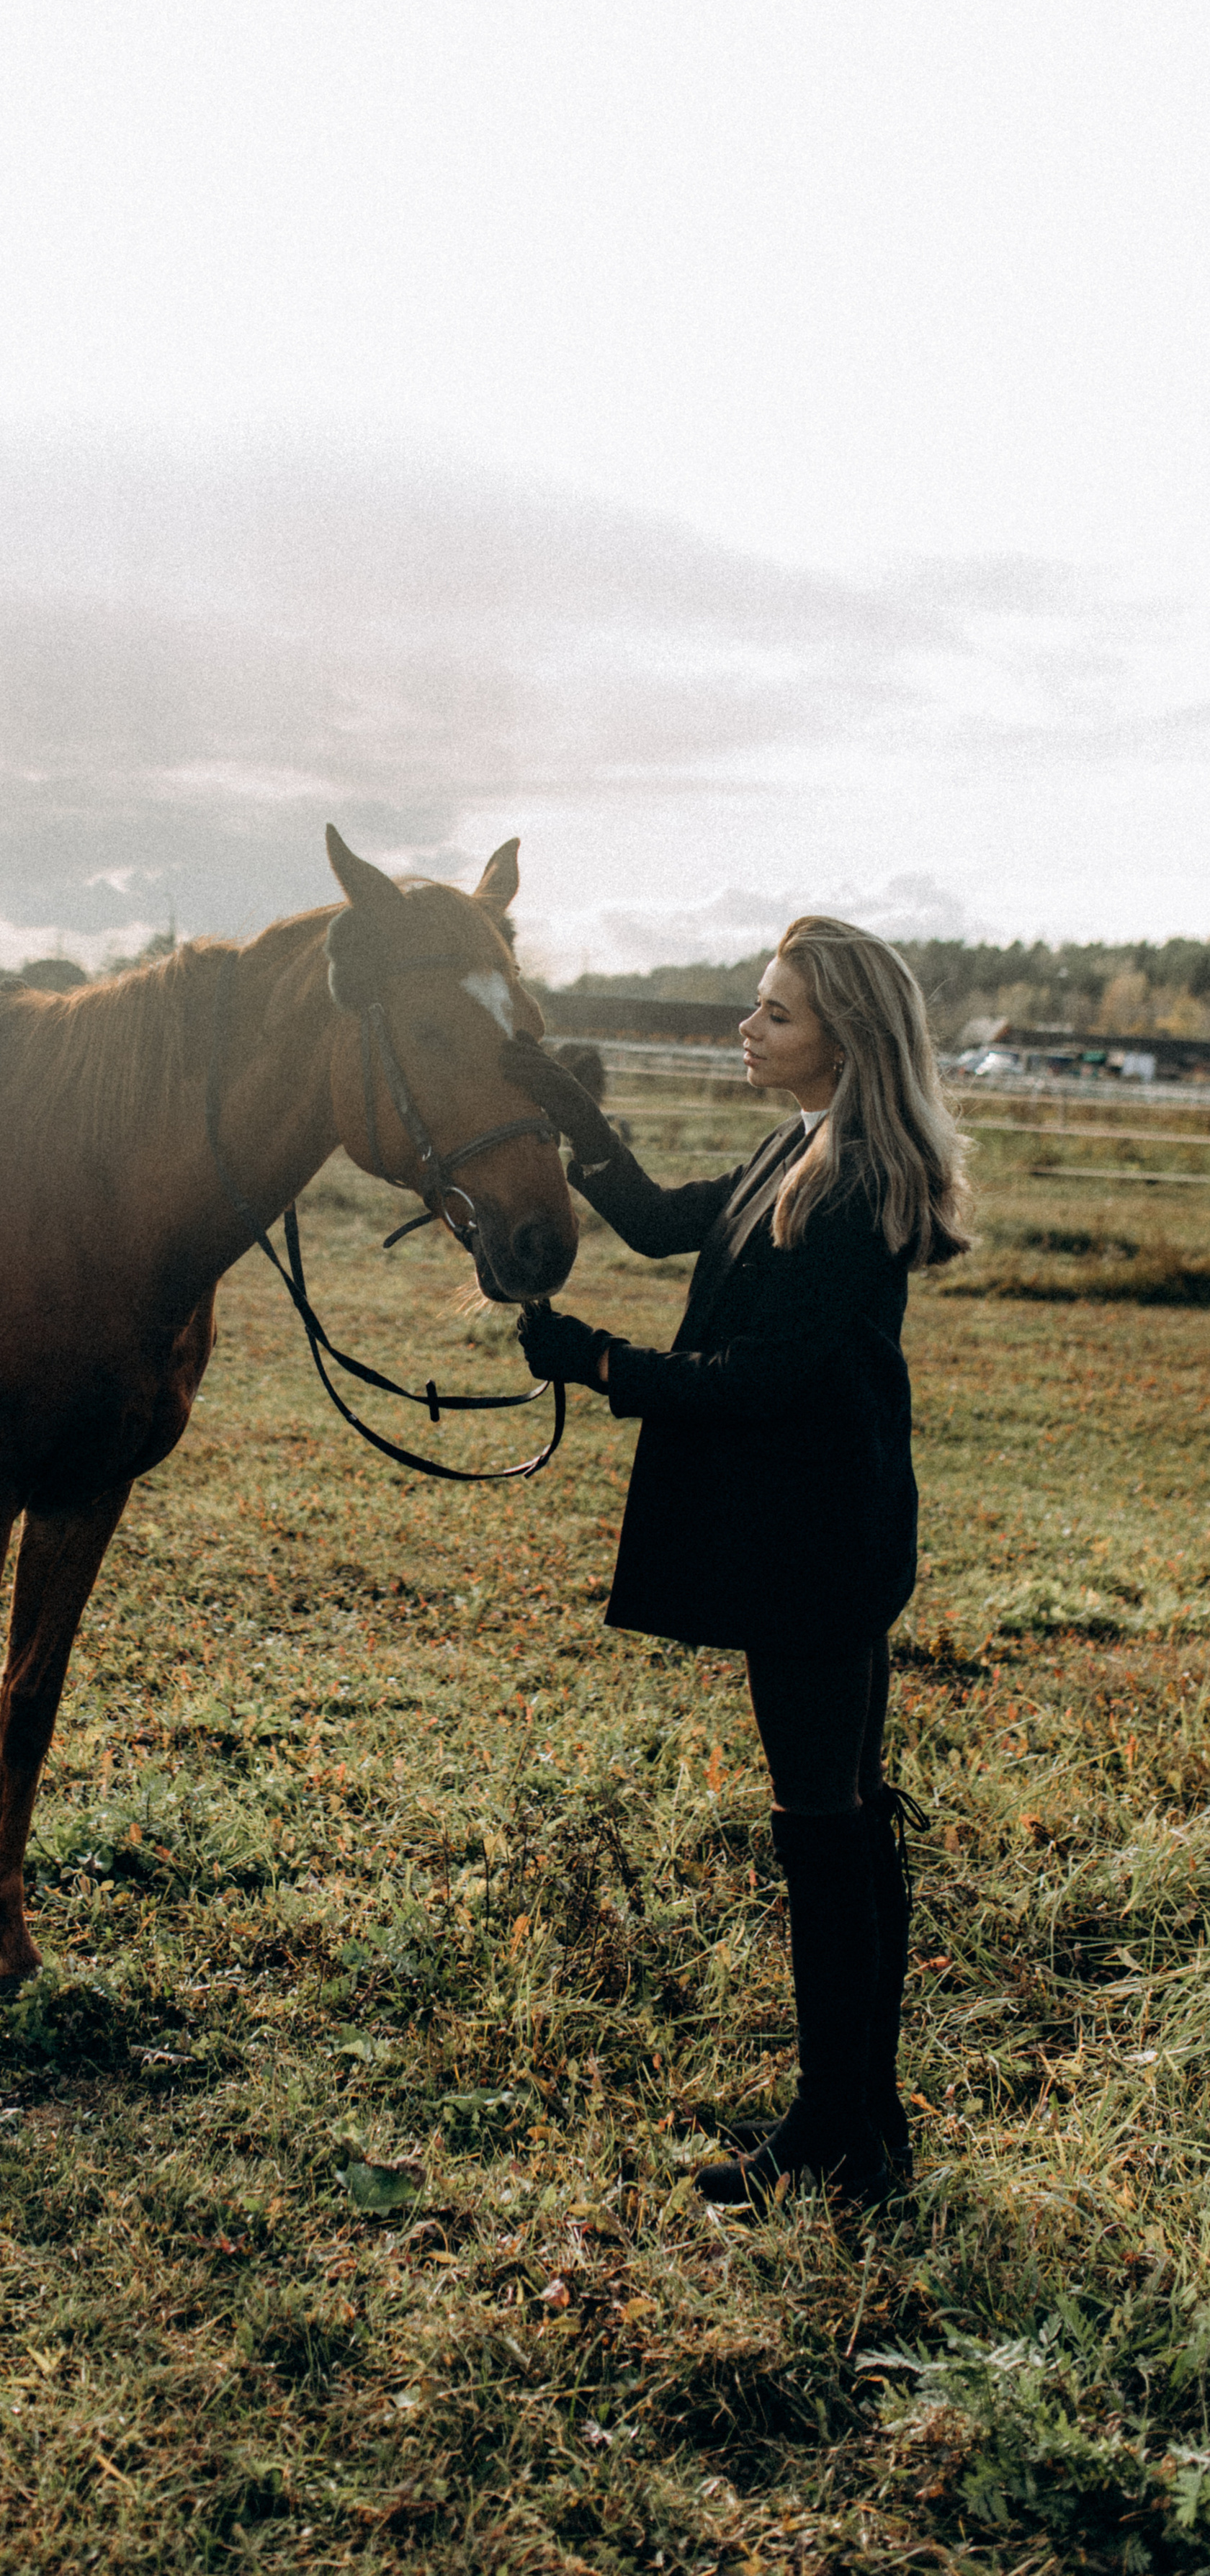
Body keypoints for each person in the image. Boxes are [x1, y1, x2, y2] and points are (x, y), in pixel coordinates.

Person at [504, 920, 972, 2209]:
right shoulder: (800, 1145)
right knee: (845, 1818)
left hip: (816, 1542)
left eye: (776, 1014)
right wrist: (569, 1113)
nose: (747, 1029)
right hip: (822, 1529)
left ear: (845, 1039)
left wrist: (601, 1363)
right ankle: (865, 2121)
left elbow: (762, 1383)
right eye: (757, 1006)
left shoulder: (855, 1180)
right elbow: (662, 1221)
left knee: (827, 1826)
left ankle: (836, 2136)